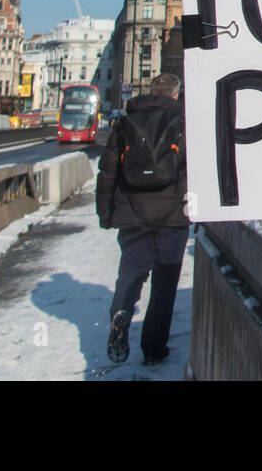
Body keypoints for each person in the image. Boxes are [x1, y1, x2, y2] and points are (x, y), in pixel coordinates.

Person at [97, 73, 190, 366]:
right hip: (173, 214)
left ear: (150, 92)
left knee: (132, 272)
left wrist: (106, 213)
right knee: (165, 284)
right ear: (176, 95)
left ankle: (122, 311)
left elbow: (108, 170)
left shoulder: (126, 122)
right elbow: (192, 168)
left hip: (131, 211)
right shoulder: (184, 122)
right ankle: (153, 348)